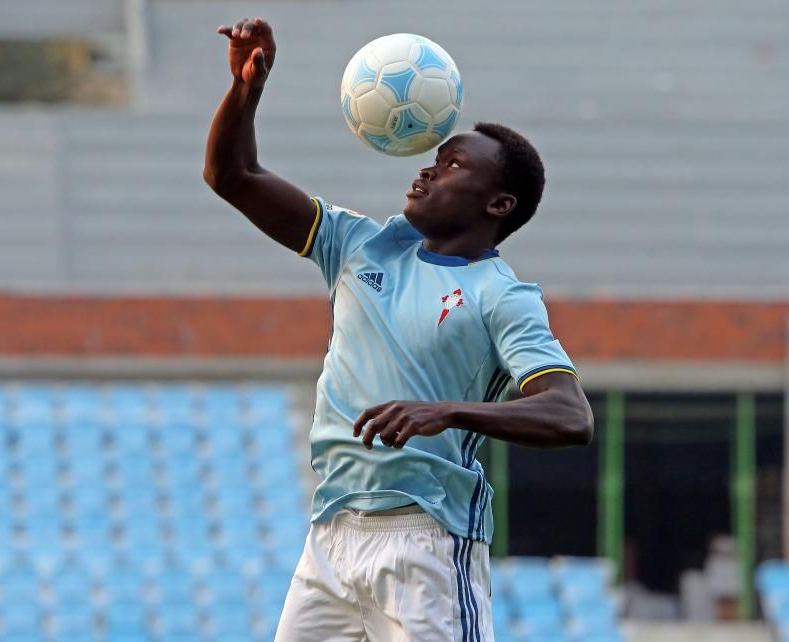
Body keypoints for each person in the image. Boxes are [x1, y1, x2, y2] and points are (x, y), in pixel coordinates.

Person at [204, 17, 594, 642]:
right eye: (434, 159)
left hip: (426, 541)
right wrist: (247, 87)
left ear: (499, 205)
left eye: (454, 165)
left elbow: (570, 417)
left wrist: (447, 412)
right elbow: (233, 177)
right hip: (330, 533)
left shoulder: (503, 296)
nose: (427, 171)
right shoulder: (358, 244)